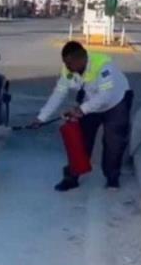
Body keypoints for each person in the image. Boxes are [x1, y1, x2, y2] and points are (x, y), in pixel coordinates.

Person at [30, 41, 133, 191]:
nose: (67, 67)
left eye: (69, 63)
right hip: (91, 103)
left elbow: (105, 96)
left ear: (81, 59)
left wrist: (81, 109)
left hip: (117, 102)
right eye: (65, 63)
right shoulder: (68, 70)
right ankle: (72, 177)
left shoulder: (104, 66)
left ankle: (112, 178)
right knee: (80, 140)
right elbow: (59, 93)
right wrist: (42, 117)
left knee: (114, 142)